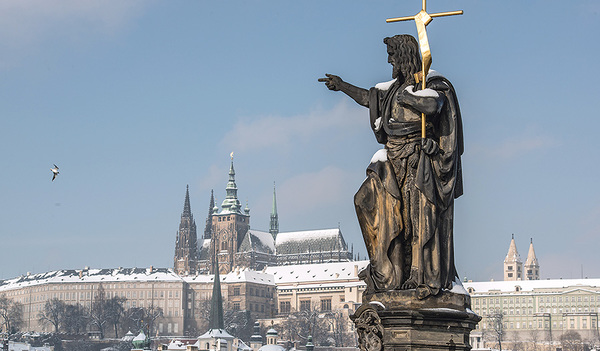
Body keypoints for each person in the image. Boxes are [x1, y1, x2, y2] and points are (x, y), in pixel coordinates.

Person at [319, 34, 463, 297]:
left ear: (404, 57)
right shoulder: (392, 90)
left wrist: (409, 97)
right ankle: (386, 270)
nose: (389, 62)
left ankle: (419, 276)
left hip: (418, 160)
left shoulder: (429, 84)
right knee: (366, 201)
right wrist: (342, 86)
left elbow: (434, 104)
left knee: (417, 220)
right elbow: (368, 98)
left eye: (392, 57)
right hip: (392, 158)